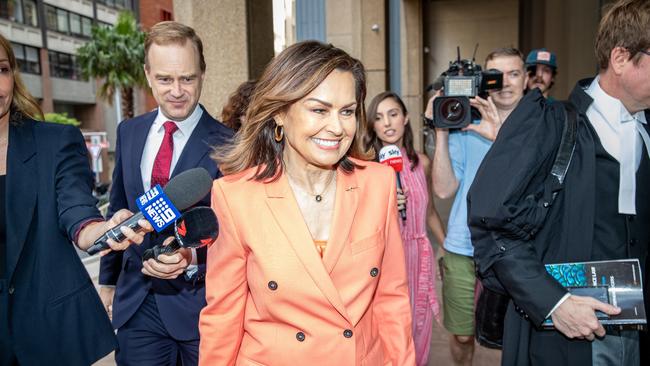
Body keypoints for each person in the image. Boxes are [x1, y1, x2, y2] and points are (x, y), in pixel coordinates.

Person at [199, 41, 415, 365]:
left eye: (347, 112)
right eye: (319, 110)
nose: (337, 127)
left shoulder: (378, 183)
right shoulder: (235, 197)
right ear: (280, 113)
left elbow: (392, 300)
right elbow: (223, 318)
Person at [468, 0, 650, 365]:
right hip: (568, 339)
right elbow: (492, 227)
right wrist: (555, 302)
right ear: (620, 58)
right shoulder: (547, 123)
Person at [0, 32, 151, 365]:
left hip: (50, 332)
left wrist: (102, 230)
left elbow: (77, 212)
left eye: (2, 69)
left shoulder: (55, 142)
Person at [98, 21, 233, 366]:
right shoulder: (129, 131)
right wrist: (108, 281)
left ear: (203, 73)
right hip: (136, 304)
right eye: (164, 79)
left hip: (200, 307)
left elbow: (238, 235)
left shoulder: (230, 145)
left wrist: (192, 259)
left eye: (187, 78)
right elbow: (120, 206)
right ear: (147, 74)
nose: (176, 90)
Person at [427, 47, 528, 366]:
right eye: (497, 76)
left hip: (516, 249)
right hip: (463, 246)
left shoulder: (540, 124)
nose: (506, 82)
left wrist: (499, 136)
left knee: (517, 331)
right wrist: (442, 130)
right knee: (461, 334)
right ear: (485, 81)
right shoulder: (465, 125)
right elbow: (443, 190)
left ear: (526, 79)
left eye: (514, 73)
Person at [365, 91, 445, 366]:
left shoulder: (421, 162)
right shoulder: (367, 168)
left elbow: (430, 212)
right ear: (372, 126)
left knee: (418, 330)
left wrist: (445, 245)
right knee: (389, 333)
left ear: (406, 118)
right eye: (378, 117)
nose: (387, 123)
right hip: (386, 260)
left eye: (393, 114)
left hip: (418, 256)